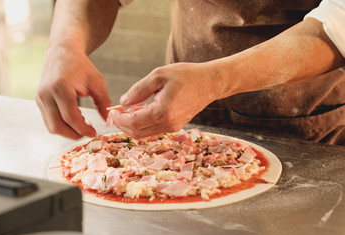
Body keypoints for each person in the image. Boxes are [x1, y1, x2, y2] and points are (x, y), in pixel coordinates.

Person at [36, 0, 345, 145]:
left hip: (307, 127)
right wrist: (65, 45)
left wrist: (215, 80)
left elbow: (339, 22)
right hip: (183, 121)